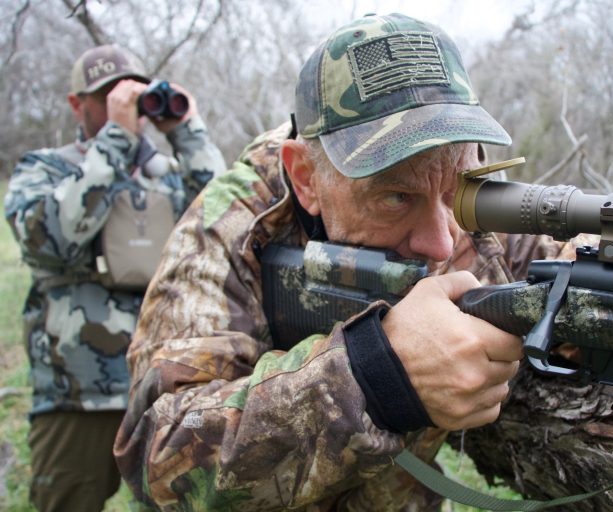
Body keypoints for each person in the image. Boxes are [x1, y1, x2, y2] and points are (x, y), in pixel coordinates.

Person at [114, 13, 574, 510]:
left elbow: (548, 264)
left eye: (458, 191)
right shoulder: (233, 221)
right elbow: (156, 454)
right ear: (307, 178)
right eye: (396, 197)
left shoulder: (462, 190)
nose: (442, 243)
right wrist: (374, 378)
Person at [4, 44, 226, 511]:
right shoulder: (45, 168)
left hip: (164, 386)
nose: (122, 104)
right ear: (76, 104)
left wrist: (187, 133)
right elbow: (53, 238)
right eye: (106, 95)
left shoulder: (162, 175)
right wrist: (115, 139)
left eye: (132, 95)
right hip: (78, 391)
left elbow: (224, 218)